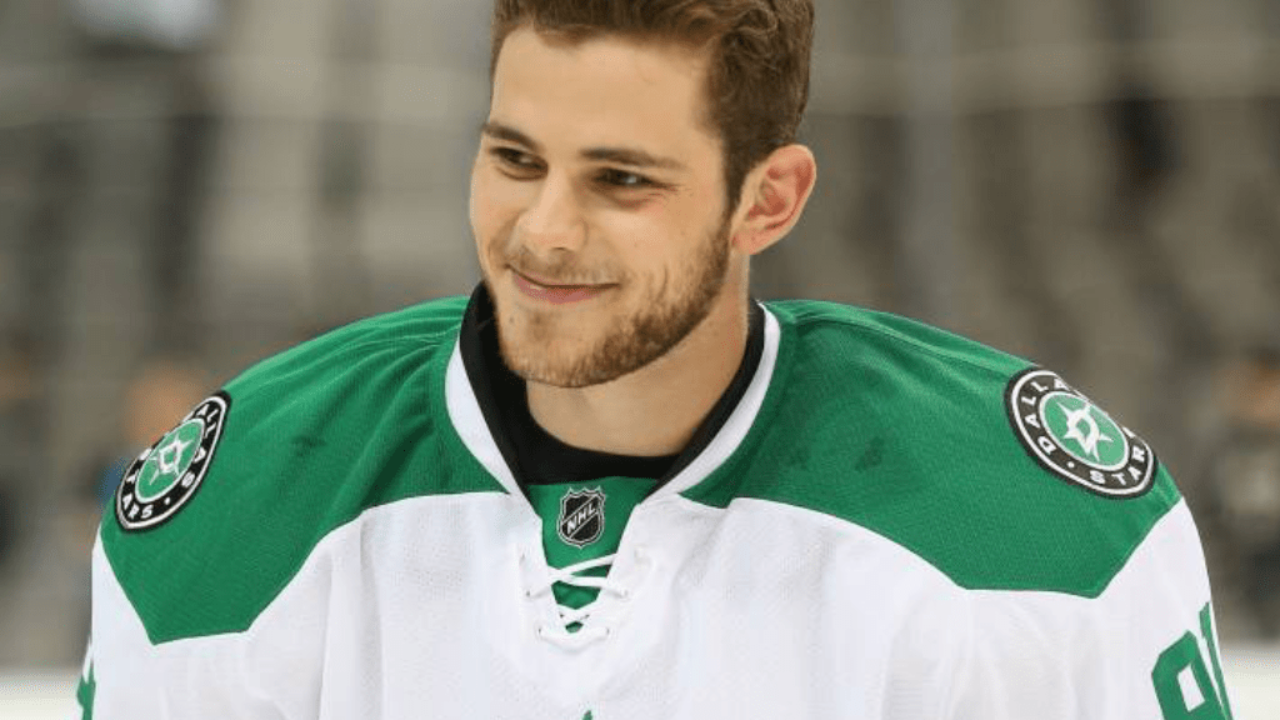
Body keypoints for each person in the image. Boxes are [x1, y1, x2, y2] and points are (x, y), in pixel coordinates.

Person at [77, 1, 1234, 717]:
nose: (543, 234)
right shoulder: (243, 514)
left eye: (620, 180)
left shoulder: (1029, 543)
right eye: (514, 160)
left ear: (766, 200)